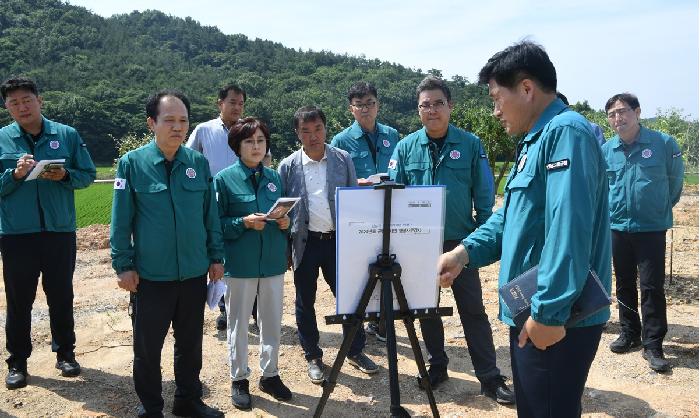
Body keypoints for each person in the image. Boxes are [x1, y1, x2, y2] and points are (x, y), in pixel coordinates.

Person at [437, 41, 612, 418]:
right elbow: (511, 216)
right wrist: (463, 252)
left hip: (558, 312)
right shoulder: (535, 140)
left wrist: (548, 314)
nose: (495, 110)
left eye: (497, 98)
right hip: (535, 305)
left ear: (527, 89)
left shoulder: (567, 134)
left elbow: (569, 230)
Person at [388, 76, 514, 404]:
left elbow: (485, 200)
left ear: (450, 106)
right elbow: (395, 200)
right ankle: (437, 365)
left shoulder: (471, 145)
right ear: (418, 111)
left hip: (461, 244)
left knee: (472, 311)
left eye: (438, 103)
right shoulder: (405, 148)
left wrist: (480, 247)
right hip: (421, 246)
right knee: (426, 310)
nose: (432, 110)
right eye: (424, 105)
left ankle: (489, 376)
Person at [110, 90, 225, 418]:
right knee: (147, 349)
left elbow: (209, 216)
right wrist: (123, 264)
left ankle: (188, 400)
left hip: (192, 273)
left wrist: (216, 258)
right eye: (169, 120)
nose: (178, 127)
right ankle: (151, 407)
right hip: (151, 276)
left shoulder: (198, 163)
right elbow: (121, 220)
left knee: (190, 345)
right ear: (152, 123)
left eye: (183, 120)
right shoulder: (132, 164)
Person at [0, 76, 96, 389]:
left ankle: (65, 353)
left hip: (59, 231)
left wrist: (65, 174)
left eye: (27, 99)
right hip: (16, 234)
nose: (21, 107)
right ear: (7, 108)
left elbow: (87, 175)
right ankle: (17, 362)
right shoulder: (2, 139)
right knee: (18, 301)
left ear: (40, 101)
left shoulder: (66, 135)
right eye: (14, 102)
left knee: (60, 294)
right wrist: (13, 175)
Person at [278, 105, 378, 384]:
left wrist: (357, 243)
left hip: (337, 242)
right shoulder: (287, 166)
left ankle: (355, 350)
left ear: (326, 128)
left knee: (348, 298)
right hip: (305, 243)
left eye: (318, 129)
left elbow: (352, 201)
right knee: (304, 301)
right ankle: (312, 355)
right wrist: (286, 252)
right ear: (297, 133)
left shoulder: (342, 159)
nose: (313, 136)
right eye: (306, 131)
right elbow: (284, 211)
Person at [214, 117, 292, 410]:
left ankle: (270, 375)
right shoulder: (223, 179)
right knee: (238, 324)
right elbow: (216, 225)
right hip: (241, 264)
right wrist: (242, 223)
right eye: (249, 141)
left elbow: (286, 216)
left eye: (261, 141)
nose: (256, 146)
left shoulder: (274, 179)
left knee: (271, 322)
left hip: (272, 262)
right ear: (237, 146)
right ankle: (239, 379)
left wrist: (285, 221)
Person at [603, 93, 684, 373]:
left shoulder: (662, 143)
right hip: (618, 227)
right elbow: (603, 188)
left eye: (623, 111)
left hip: (650, 228)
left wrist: (658, 209)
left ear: (637, 112)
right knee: (624, 283)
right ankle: (629, 334)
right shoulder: (607, 150)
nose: (618, 118)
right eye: (612, 114)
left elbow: (675, 183)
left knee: (651, 286)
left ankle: (653, 343)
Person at [185, 83, 263, 332]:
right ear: (220, 103)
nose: (237, 107)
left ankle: (253, 308)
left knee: (247, 251)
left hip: (247, 198)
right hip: (212, 203)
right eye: (232, 102)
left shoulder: (250, 129)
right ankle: (224, 308)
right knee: (220, 251)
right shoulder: (203, 130)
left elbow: (264, 158)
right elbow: (189, 160)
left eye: (241, 103)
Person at [330, 81, 400, 341]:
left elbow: (398, 169)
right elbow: (335, 182)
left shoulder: (392, 135)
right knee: (360, 269)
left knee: (388, 263)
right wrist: (354, 184)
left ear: (377, 104)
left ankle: (381, 322)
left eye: (370, 103)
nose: (365, 109)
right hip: (358, 215)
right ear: (351, 109)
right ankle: (360, 323)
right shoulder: (341, 140)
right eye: (359, 105)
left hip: (389, 209)